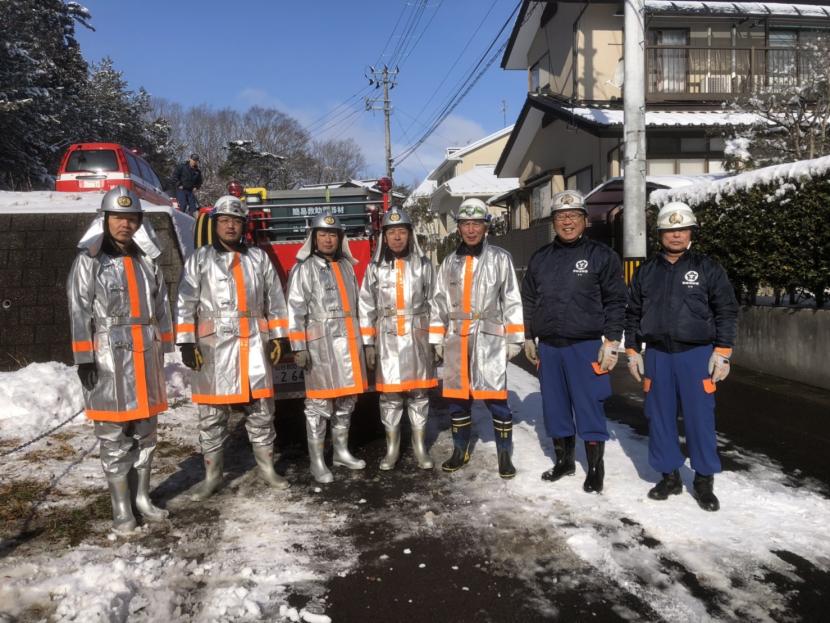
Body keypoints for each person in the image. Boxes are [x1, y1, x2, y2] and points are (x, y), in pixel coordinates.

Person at [67, 185, 174, 532]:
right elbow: (79, 308)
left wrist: (167, 347)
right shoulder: (89, 260)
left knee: (146, 432)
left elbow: (162, 305)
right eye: (118, 218)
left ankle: (142, 497)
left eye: (131, 219)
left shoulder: (147, 260)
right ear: (105, 219)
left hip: (146, 352)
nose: (124, 225)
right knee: (113, 436)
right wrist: (84, 356)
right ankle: (121, 508)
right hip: (108, 354)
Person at [624, 201, 738, 511]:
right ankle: (670, 476)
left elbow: (725, 310)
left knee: (700, 419)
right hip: (658, 356)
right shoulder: (646, 271)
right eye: (670, 230)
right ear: (660, 233)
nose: (676, 235)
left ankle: (703, 480)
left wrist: (723, 352)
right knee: (659, 417)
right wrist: (632, 350)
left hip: (697, 355)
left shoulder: (707, 268)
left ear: (691, 233)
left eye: (682, 229)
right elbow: (632, 312)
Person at [176, 195, 290, 500]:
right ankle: (212, 475)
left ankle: (266, 468)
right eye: (224, 220)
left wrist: (279, 336)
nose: (230, 226)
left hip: (253, 343)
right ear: (215, 224)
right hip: (213, 348)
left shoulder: (259, 258)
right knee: (211, 415)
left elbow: (275, 300)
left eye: (236, 221)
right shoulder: (198, 259)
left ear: (244, 227)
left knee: (262, 410)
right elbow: (185, 303)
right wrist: (186, 342)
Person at [521, 190, 627, 494]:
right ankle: (564, 460)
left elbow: (616, 301)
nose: (567, 222)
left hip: (586, 346)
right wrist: (529, 335)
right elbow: (528, 298)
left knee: (589, 406)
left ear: (585, 220)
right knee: (555, 407)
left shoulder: (602, 256)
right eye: (560, 217)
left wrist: (612, 341)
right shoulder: (541, 258)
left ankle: (595, 468)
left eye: (573, 216)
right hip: (550, 347)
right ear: (553, 222)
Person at [428, 198, 524, 478]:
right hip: (457, 338)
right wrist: (436, 338)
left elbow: (511, 299)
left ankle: (504, 455)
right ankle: (460, 450)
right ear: (458, 227)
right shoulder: (448, 262)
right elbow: (438, 302)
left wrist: (514, 338)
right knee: (458, 399)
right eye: (465, 224)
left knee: (496, 398)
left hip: (489, 338)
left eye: (476, 224)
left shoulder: (500, 258)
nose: (471, 230)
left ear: (486, 227)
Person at [287, 211, 368, 483]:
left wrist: (366, 342)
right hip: (320, 345)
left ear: (340, 237)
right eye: (322, 234)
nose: (328, 239)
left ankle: (341, 452)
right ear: (313, 237)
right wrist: (298, 346)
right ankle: (317, 461)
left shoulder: (347, 266)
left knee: (346, 401)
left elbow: (359, 305)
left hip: (349, 341)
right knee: (318, 405)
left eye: (332, 234)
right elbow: (295, 310)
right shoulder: (303, 268)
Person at [358, 206, 436, 471]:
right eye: (392, 232)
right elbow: (366, 305)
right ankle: (392, 449)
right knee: (390, 398)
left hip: (418, 336)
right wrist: (368, 342)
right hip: (388, 337)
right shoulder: (375, 267)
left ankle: (419, 447)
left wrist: (435, 339)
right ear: (384, 237)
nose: (397, 238)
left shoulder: (424, 265)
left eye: (402, 231)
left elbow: (436, 302)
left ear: (410, 234)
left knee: (419, 394)